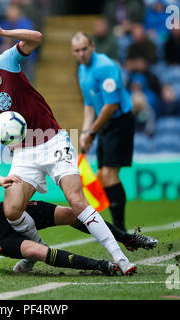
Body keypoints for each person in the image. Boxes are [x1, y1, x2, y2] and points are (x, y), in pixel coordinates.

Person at [0, 14, 136, 275]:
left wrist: (2, 33)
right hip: (23, 153)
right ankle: (37, 251)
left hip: (52, 140)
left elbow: (37, 38)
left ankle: (120, 257)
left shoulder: (4, 65)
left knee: (76, 201)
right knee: (12, 210)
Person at [0, 174, 158, 274]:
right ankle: (104, 266)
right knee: (36, 250)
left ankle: (130, 239)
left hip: (5, 213)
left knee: (71, 213)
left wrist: (2, 180)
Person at [71, 32, 135, 233]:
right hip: (104, 124)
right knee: (100, 174)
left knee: (109, 175)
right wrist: (85, 131)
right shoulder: (82, 69)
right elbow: (89, 105)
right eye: (77, 51)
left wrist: (91, 133)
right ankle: (116, 229)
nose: (81, 54)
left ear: (92, 46)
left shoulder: (105, 67)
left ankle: (120, 230)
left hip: (119, 122)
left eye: (84, 49)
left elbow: (112, 106)